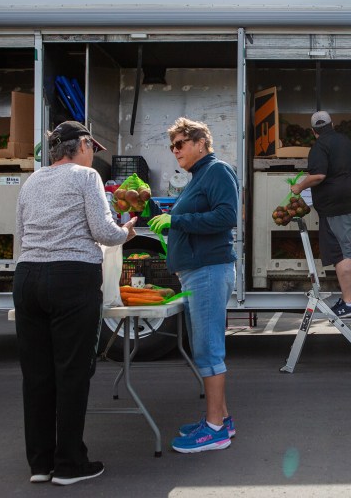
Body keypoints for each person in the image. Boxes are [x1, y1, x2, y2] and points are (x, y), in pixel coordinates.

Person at [14, 121, 137, 485]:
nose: (93, 156)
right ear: (81, 145)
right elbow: (102, 231)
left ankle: (40, 464)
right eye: (92, 149)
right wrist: (126, 231)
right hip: (71, 277)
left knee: (37, 374)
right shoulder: (86, 179)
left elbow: (20, 237)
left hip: (28, 277)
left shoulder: (31, 181)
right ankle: (69, 464)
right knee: (71, 371)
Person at [147, 117, 239, 453]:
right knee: (205, 348)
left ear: (201, 142)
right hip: (197, 272)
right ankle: (222, 420)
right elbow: (192, 217)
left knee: (208, 349)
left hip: (208, 271)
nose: (175, 151)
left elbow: (227, 216)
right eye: (172, 146)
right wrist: (157, 211)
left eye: (180, 144)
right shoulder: (199, 177)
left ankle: (214, 429)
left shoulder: (217, 171)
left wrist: (177, 220)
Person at [290, 110, 351, 318]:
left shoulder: (319, 146)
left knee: (342, 254)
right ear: (332, 125)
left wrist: (300, 186)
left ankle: (349, 303)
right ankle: (349, 299)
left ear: (314, 131)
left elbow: (318, 175)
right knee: (350, 252)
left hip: (336, 207)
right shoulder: (343, 141)